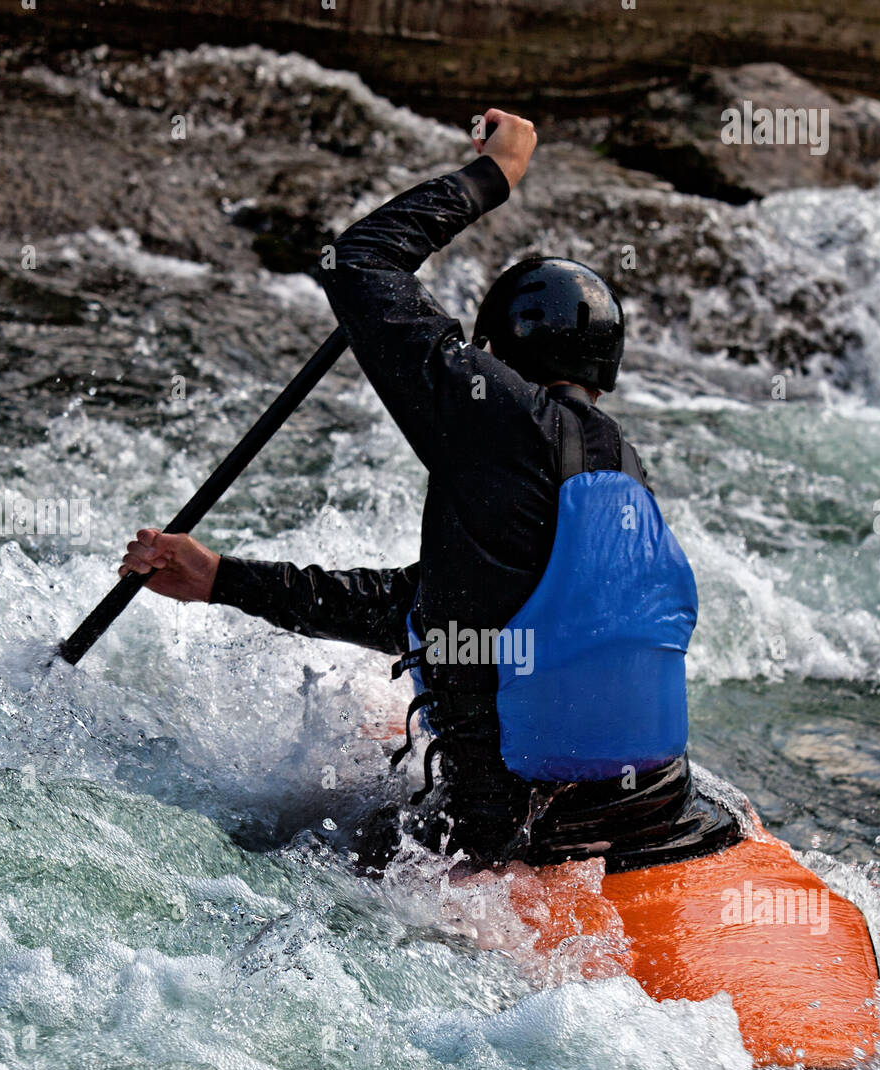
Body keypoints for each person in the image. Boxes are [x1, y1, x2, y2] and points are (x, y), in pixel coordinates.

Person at [118, 109, 739, 872]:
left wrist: (494, 175)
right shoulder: (619, 467)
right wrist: (221, 579)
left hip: (494, 839)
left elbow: (359, 261)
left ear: (494, 353)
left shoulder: (499, 416)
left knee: (255, 848)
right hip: (647, 815)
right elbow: (431, 616)